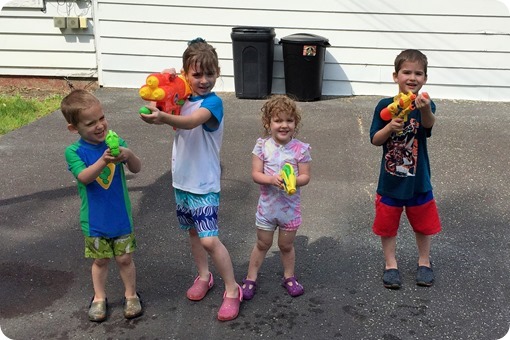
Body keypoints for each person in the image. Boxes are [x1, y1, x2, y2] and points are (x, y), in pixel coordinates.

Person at [139, 38, 242, 321]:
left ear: (217, 73)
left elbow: (191, 122)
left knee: (210, 240)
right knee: (194, 233)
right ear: (186, 74)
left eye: (209, 74)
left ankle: (233, 289)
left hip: (205, 184)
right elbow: (153, 102)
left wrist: (163, 118)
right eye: (196, 74)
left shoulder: (213, 104)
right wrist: (164, 82)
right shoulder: (182, 96)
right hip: (182, 181)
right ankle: (204, 276)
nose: (204, 80)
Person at [61, 89, 143, 322]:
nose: (100, 126)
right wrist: (103, 160)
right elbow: (84, 177)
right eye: (90, 123)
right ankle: (99, 297)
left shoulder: (115, 141)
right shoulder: (74, 151)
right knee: (100, 260)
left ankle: (131, 295)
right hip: (95, 220)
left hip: (120, 218)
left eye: (102, 118)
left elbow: (137, 168)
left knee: (125, 259)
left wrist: (128, 154)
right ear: (74, 128)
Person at [369, 49, 441, 289]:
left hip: (418, 179)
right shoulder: (384, 106)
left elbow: (429, 126)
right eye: (406, 72)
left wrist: (424, 109)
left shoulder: (425, 105)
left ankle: (424, 261)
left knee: (423, 224)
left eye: (418, 73)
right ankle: (391, 264)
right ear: (395, 76)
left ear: (425, 78)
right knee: (388, 225)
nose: (412, 77)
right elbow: (375, 139)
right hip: (391, 181)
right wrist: (390, 127)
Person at [241, 95, 311, 301]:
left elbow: (306, 176)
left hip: (289, 210)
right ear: (268, 123)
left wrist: (293, 181)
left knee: (286, 246)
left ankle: (289, 277)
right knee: (262, 244)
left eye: (289, 120)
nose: (284, 125)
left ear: (295, 123)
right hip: (267, 208)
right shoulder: (262, 146)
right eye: (278, 120)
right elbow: (256, 174)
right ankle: (251, 277)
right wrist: (272, 179)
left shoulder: (301, 149)